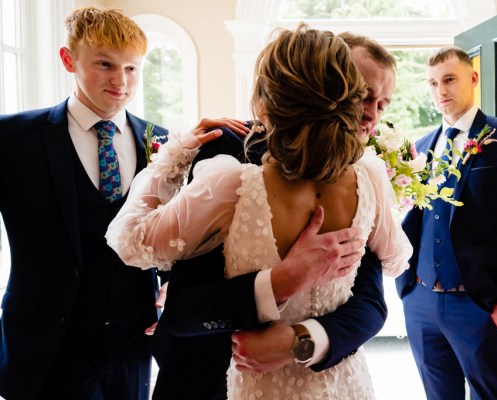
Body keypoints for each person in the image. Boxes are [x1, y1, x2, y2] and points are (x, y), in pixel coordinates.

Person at [106, 24, 411, 399]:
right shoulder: (226, 149)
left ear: (265, 102)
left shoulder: (364, 172)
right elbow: (184, 307)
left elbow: (370, 300)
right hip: (209, 379)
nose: (370, 115)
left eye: (382, 104)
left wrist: (303, 340)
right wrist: (279, 281)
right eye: (363, 96)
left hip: (329, 378)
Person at [0, 7, 200, 399]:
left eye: (131, 69)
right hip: (50, 345)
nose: (120, 81)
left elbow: (179, 233)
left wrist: (174, 285)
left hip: (134, 342)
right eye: (105, 65)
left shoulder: (163, 142)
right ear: (68, 60)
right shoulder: (11, 138)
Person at [396, 45, 497, 400]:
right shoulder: (422, 146)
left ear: (473, 79)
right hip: (421, 303)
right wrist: (407, 292)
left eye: (449, 80)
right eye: (432, 83)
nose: (440, 91)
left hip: (476, 307)